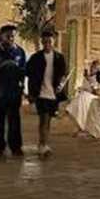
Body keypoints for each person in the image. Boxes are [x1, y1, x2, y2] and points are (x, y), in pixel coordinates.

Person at [0, 24, 27, 158]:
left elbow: (23, 72)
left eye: (13, 36)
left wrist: (22, 89)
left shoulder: (20, 52)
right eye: (8, 35)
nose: (10, 38)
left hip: (15, 91)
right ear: (2, 36)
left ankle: (16, 147)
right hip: (0, 91)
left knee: (14, 119)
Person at [26, 29, 68, 157]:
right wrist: (31, 92)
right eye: (45, 42)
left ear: (53, 42)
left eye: (49, 41)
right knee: (43, 119)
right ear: (42, 42)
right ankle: (42, 144)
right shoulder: (35, 58)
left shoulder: (59, 58)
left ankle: (43, 143)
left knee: (48, 120)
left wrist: (61, 86)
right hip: (41, 93)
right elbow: (28, 74)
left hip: (53, 94)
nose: (47, 44)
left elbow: (63, 75)